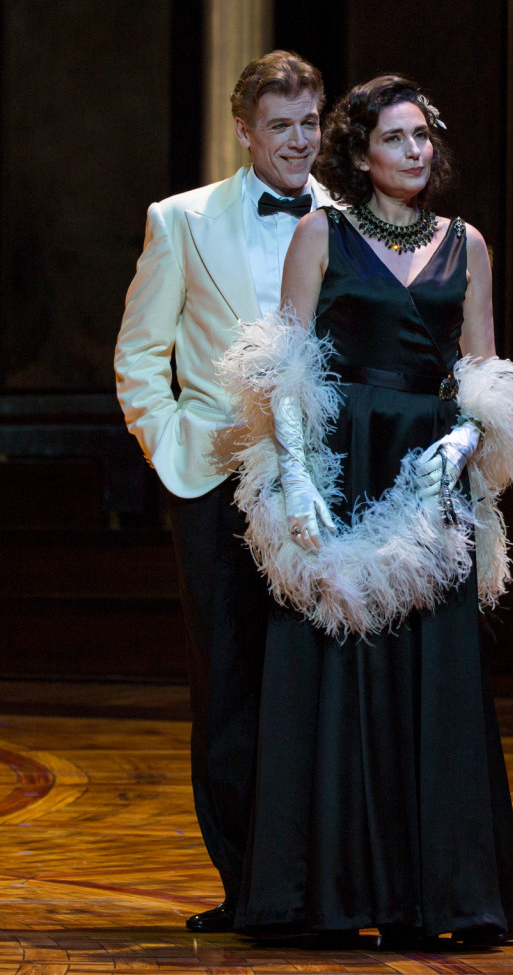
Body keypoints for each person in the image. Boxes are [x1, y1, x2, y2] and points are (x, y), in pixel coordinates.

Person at [222, 75, 513, 947]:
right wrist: (298, 479)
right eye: (396, 138)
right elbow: (285, 367)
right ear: (360, 154)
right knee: (338, 669)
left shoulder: (467, 243)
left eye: (422, 136)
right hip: (346, 461)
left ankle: (437, 898)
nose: (415, 151)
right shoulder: (320, 233)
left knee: (431, 672)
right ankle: (330, 896)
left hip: (428, 474)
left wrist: (465, 442)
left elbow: (484, 370)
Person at [114, 50, 337, 933]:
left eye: (310, 123)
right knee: (230, 685)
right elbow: (141, 352)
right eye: (281, 125)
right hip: (215, 478)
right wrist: (175, 450)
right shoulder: (182, 220)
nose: (299, 141)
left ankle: (319, 881)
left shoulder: (348, 222)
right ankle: (246, 885)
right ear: (243, 130)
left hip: (322, 484)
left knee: (316, 684)